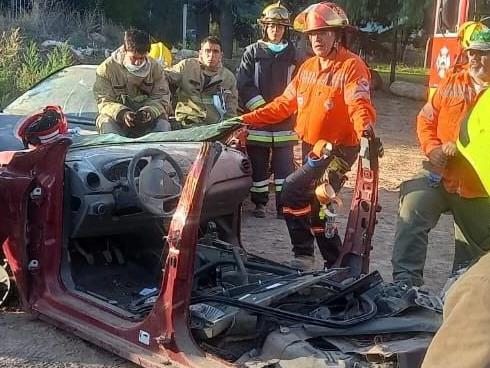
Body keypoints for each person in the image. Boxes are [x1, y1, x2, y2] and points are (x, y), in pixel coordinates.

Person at [238, 2, 376, 269]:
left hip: (339, 149)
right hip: (312, 146)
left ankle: (308, 256)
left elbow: (359, 104)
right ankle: (330, 261)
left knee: (303, 192)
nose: (316, 39)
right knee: (313, 203)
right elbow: (283, 105)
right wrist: (244, 119)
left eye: (323, 33)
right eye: (312, 34)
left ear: (338, 35)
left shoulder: (352, 67)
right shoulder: (308, 68)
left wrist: (365, 131)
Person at [391, 29, 490, 289]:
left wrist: (465, 150)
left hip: (479, 186)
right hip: (438, 174)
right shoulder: (452, 83)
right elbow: (426, 118)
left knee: (475, 251)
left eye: (483, 54)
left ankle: (458, 294)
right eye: (472, 53)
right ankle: (405, 284)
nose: (476, 59)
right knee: (412, 209)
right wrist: (432, 147)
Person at [237, 1, 299, 219]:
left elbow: (300, 84)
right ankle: (260, 204)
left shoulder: (294, 54)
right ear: (265, 27)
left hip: (285, 119)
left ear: (285, 29)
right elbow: (244, 83)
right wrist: (261, 108)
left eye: (280, 27)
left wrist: (285, 109)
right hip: (260, 118)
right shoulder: (252, 52)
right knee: (258, 164)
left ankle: (284, 206)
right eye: (271, 26)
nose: (275, 30)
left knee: (285, 167)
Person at [93, 29, 172, 138]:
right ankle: (114, 152)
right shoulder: (106, 69)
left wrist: (148, 112)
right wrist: (122, 114)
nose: (138, 62)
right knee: (104, 121)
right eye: (134, 58)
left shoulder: (155, 68)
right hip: (118, 121)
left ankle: (156, 151)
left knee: (163, 123)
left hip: (148, 121)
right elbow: (103, 101)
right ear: (125, 50)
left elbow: (162, 97)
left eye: (142, 58)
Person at [165, 36, 238, 127]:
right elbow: (163, 77)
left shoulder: (228, 78)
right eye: (207, 51)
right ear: (200, 53)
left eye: (215, 51)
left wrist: (229, 129)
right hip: (187, 121)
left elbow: (231, 109)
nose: (211, 55)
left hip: (214, 126)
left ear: (221, 55)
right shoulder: (187, 66)